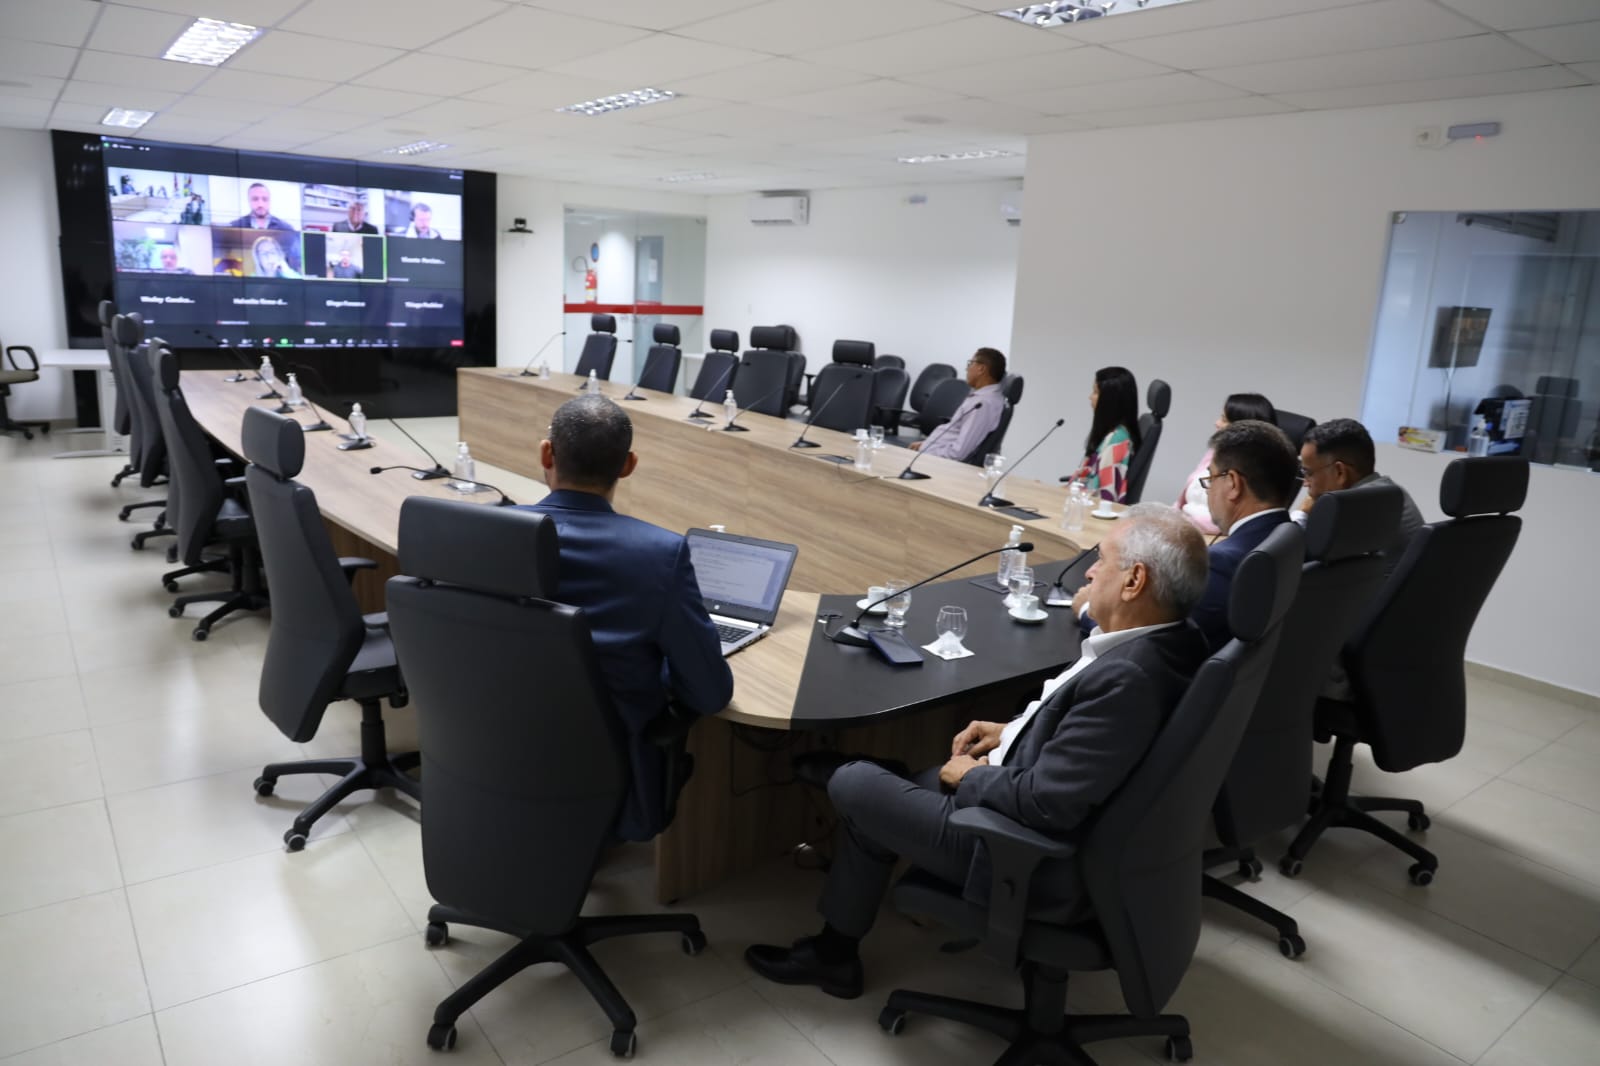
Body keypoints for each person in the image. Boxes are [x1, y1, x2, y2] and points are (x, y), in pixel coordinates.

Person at [744, 505, 1210, 999]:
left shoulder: (1128, 679)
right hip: (1039, 809)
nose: (1090, 572)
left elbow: (1048, 803)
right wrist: (1013, 730)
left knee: (853, 784)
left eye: (1102, 560)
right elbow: (1092, 747)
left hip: (1018, 851)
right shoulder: (1175, 642)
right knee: (876, 800)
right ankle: (836, 950)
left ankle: (864, 814)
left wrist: (968, 777)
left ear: (1134, 581)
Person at [518, 395, 734, 841]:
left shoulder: (489, 534)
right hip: (612, 769)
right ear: (629, 465)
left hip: (503, 744)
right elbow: (710, 693)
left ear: (546, 453)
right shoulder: (659, 555)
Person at [1187, 419, 1299, 650]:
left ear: (1233, 484)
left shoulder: (1220, 563)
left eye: (1211, 479)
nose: (1208, 491)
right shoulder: (1294, 541)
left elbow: (1169, 643)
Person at [1296, 418, 1425, 577]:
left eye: (1308, 473)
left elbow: (1289, 561)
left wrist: (1301, 513)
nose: (1305, 483)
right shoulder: (1390, 492)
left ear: (1340, 472)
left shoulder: (1349, 510)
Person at [1177, 393, 1277, 535]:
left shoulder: (1251, 471)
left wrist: (1181, 522)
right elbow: (1182, 501)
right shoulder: (1215, 451)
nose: (1217, 423)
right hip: (1184, 527)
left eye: (1224, 419)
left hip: (1209, 537)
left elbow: (1228, 522)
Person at [909, 347, 1006, 460]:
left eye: (970, 363)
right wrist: (925, 445)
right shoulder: (983, 397)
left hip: (937, 462)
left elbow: (957, 454)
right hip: (932, 454)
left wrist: (925, 450)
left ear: (981, 369)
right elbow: (955, 435)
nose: (967, 369)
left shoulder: (983, 404)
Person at [1067, 366, 1142, 503]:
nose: (1090, 397)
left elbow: (1105, 496)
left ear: (1110, 400)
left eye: (1095, 392)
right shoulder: (1112, 434)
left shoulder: (1117, 440)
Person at [229, 183, 300, 270]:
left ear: (270, 201)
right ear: (249, 201)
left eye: (265, 199)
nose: (260, 204)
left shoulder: (286, 229)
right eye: (255, 199)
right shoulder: (235, 227)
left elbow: (295, 264)